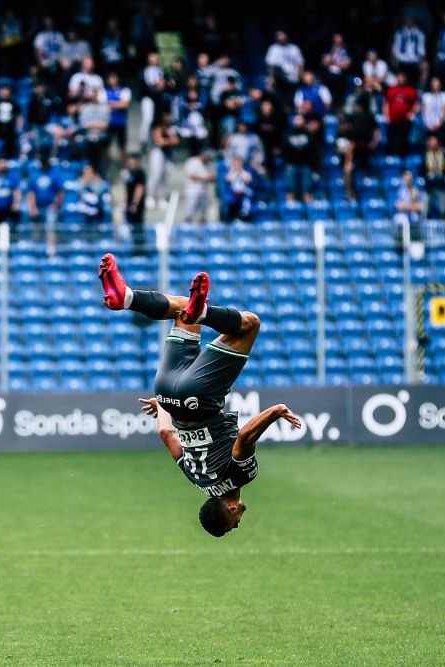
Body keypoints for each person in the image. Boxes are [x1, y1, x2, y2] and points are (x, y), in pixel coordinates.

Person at [98, 253, 301, 536]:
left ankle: (202, 312)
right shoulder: (197, 479)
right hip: (167, 393)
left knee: (250, 324)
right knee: (183, 310)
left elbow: (245, 438)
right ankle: (128, 297)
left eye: (234, 525)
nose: (239, 521)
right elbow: (166, 434)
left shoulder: (242, 476)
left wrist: (275, 412)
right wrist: (164, 407)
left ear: (230, 511)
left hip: (199, 398)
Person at [340, 95, 379, 201]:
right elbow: (344, 129)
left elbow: (377, 132)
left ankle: (367, 195)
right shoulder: (352, 116)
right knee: (348, 169)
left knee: (366, 172)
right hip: (353, 147)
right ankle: (350, 194)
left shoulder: (369, 116)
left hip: (366, 148)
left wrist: (374, 143)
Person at [27, 159, 65, 257]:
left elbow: (61, 191)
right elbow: (31, 192)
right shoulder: (35, 176)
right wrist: (33, 207)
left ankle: (51, 251)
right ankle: (35, 250)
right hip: (38, 207)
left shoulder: (54, 175)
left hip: (50, 207)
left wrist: (57, 204)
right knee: (36, 228)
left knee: (50, 228)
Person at [147, 111, 180, 210]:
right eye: (167, 115)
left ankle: (162, 197)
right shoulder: (158, 127)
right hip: (157, 152)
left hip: (168, 153)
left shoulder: (171, 128)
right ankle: (150, 196)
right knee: (156, 174)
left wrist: (168, 141)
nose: (169, 118)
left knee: (165, 175)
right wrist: (169, 141)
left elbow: (176, 140)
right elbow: (159, 141)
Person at [282, 114, 317, 203]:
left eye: (300, 119)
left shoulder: (308, 134)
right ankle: (291, 211)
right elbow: (284, 149)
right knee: (290, 190)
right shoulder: (288, 134)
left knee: (307, 190)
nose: (298, 122)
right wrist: (286, 161)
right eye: (296, 119)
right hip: (291, 164)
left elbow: (313, 149)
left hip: (306, 164)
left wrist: (311, 162)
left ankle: (309, 213)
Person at [384, 71, 418, 156]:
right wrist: (387, 115)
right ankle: (390, 159)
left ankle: (403, 159)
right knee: (390, 140)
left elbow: (416, 104)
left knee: (404, 140)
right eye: (399, 77)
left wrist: (411, 112)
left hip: (405, 121)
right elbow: (386, 103)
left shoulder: (411, 90)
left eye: (403, 77)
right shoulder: (391, 90)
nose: (401, 79)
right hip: (393, 120)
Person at [265, 31, 304, 100]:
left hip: (293, 78)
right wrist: (271, 78)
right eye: (279, 36)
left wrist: (300, 76)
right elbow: (270, 65)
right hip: (280, 78)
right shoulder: (273, 48)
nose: (281, 38)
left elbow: (300, 63)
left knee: (294, 97)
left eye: (282, 35)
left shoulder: (294, 48)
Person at [0, 83, 21, 160]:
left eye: (7, 90)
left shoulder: (14, 101)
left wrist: (18, 126)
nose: (5, 91)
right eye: (3, 89)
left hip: (9, 127)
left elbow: (19, 115)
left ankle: (10, 158)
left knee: (11, 143)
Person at [391, 15, 428, 88]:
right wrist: (396, 58)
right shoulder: (399, 33)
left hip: (415, 61)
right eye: (407, 19)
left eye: (410, 19)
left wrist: (420, 59)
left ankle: (419, 89)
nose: (409, 21)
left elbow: (422, 50)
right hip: (402, 61)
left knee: (424, 66)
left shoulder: (419, 34)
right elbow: (395, 48)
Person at [122, 153, 148, 253]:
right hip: (129, 205)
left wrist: (135, 203)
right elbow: (127, 190)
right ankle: (134, 248)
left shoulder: (140, 173)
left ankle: (140, 249)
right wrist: (124, 204)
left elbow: (139, 189)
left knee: (138, 227)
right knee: (131, 228)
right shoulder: (129, 173)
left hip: (136, 206)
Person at [419, 134, 445, 218]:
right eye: (431, 141)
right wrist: (428, 171)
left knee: (443, 209)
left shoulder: (443, 155)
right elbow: (421, 170)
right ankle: (425, 224)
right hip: (429, 186)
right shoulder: (425, 155)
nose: (433, 144)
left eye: (435, 141)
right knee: (426, 209)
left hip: (440, 185)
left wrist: (441, 170)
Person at [183, 148, 214, 223]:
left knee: (203, 215)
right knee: (189, 214)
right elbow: (191, 176)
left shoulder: (207, 164)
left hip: (203, 192)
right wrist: (205, 177)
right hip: (192, 192)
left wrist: (211, 177)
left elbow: (211, 177)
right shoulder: (192, 162)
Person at [104, 73, 131, 157]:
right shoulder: (104, 91)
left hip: (121, 122)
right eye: (111, 78)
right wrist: (118, 104)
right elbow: (103, 105)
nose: (113, 80)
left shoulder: (125, 90)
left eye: (114, 78)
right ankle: (105, 167)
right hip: (108, 122)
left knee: (122, 146)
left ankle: (124, 168)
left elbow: (125, 104)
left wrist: (111, 104)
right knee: (106, 146)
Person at [421, 76, 445, 148]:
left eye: (436, 82)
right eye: (433, 83)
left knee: (442, 141)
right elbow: (424, 112)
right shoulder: (426, 96)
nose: (435, 85)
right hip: (429, 125)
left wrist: (439, 123)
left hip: (441, 125)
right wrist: (428, 124)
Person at [223, 156, 253, 222]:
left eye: (238, 163)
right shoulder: (229, 172)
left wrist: (240, 171)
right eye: (235, 163)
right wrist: (235, 171)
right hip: (233, 197)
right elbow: (230, 180)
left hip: (243, 197)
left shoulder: (245, 171)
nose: (237, 165)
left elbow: (247, 179)